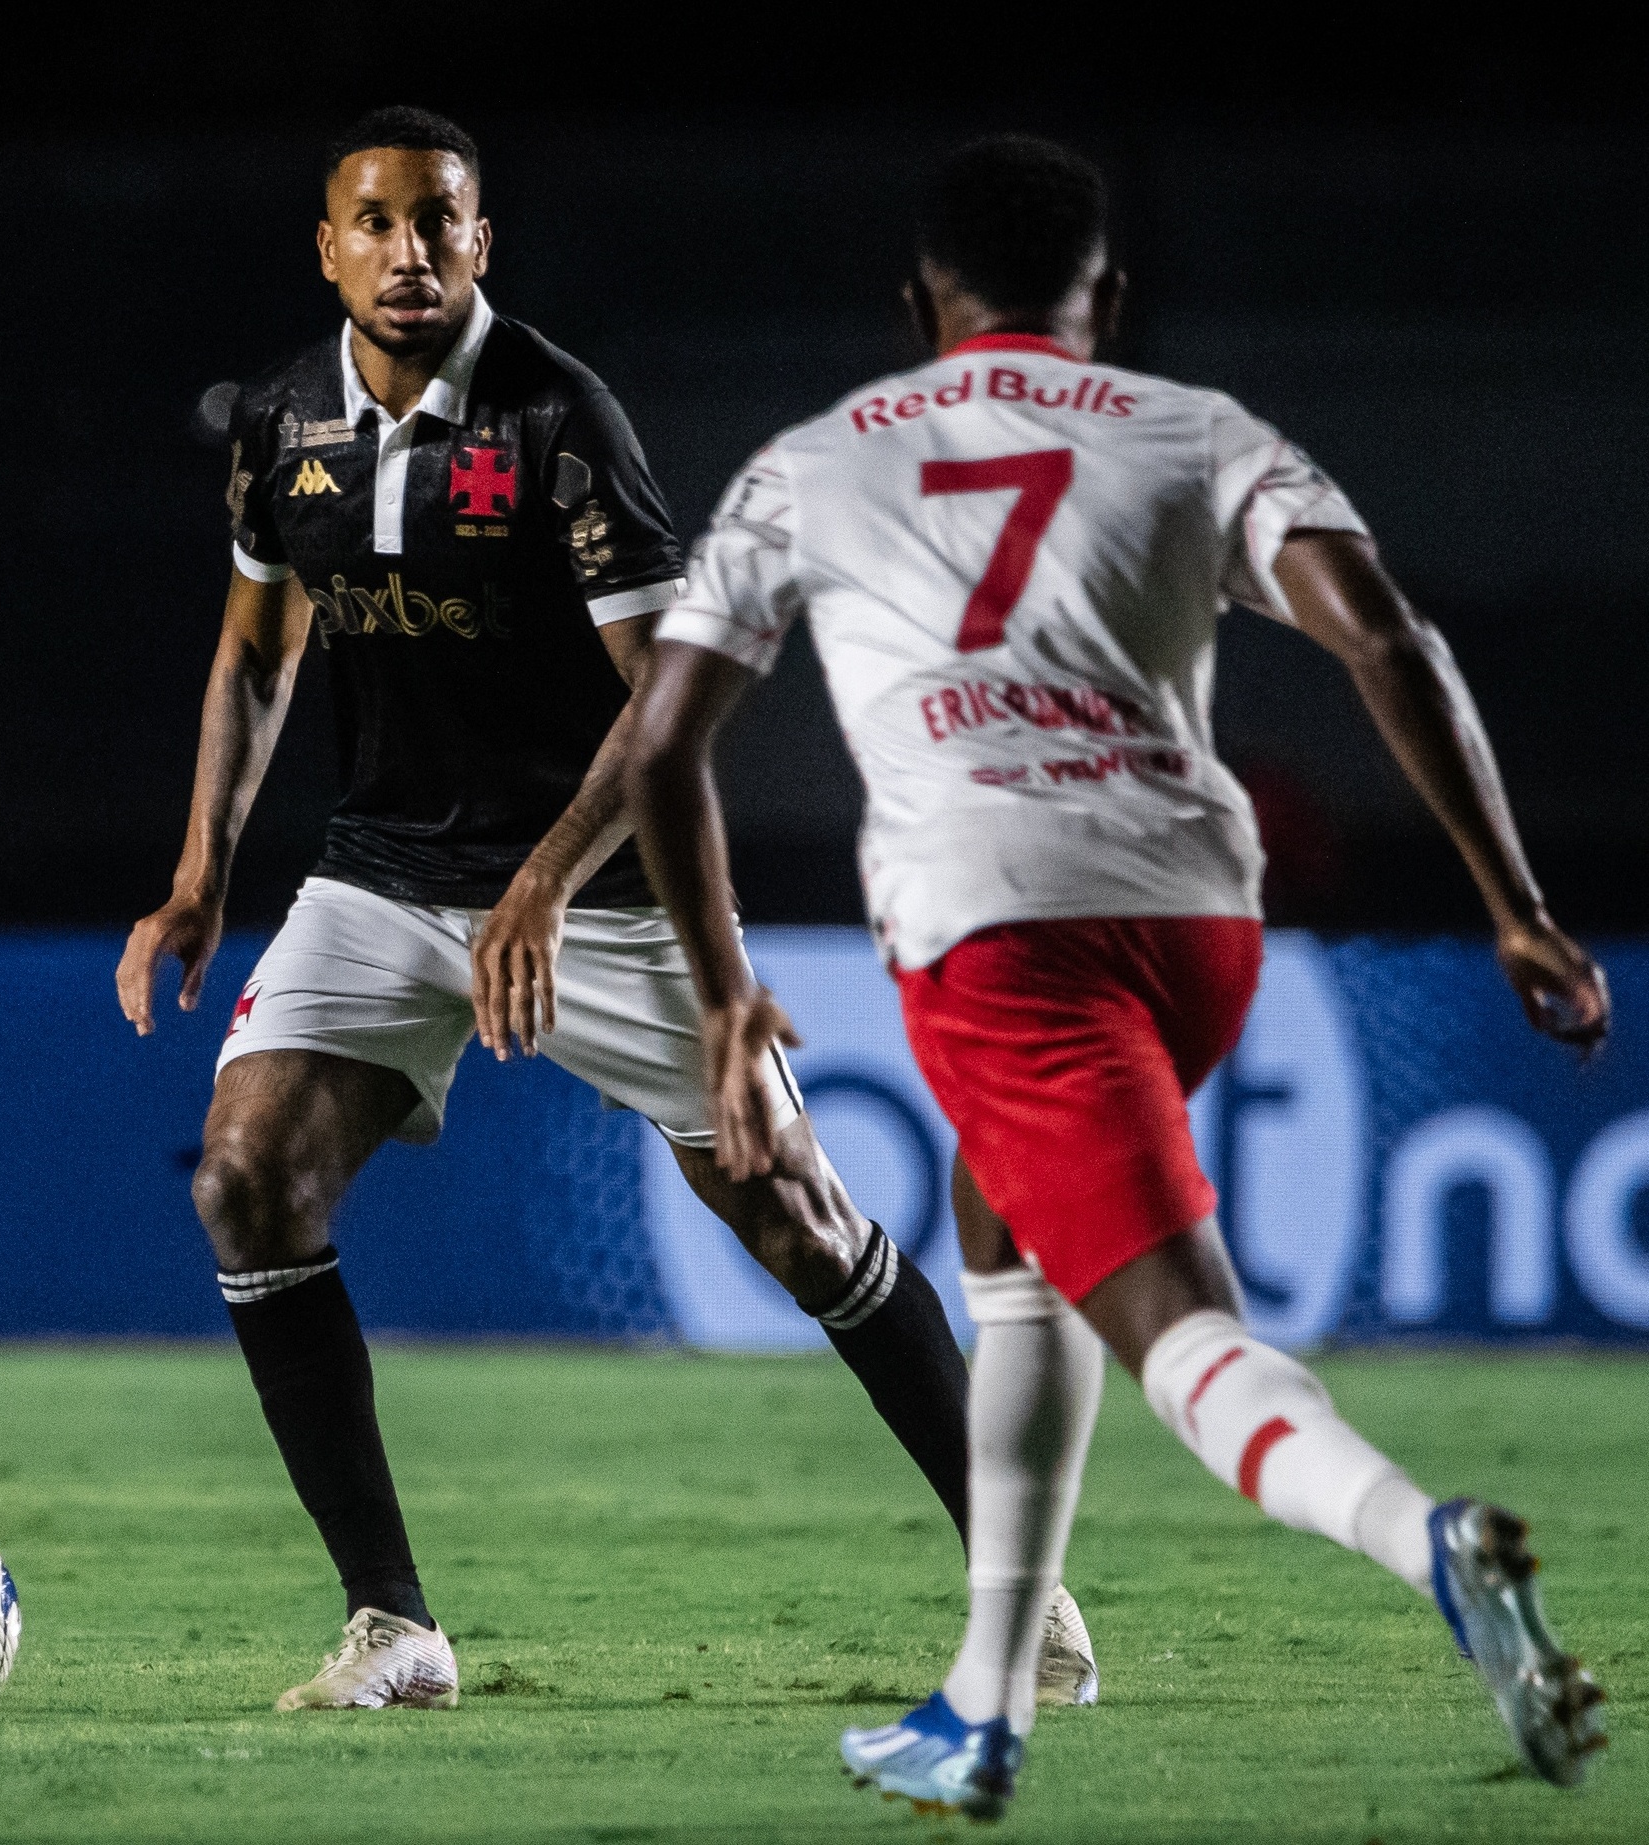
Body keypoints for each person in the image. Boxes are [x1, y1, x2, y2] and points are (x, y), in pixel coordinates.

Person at [625, 133, 1610, 1817]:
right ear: (1109, 298)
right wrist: (1512, 902)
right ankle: (984, 1700)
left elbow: (660, 748)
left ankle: (1427, 1539)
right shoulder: (1198, 429)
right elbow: (1392, 641)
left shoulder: (812, 465)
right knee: (1009, 1242)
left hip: (1000, 923)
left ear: (919, 300)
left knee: (1177, 1331)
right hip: (1201, 923)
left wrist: (723, 996)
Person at [118, 106, 1095, 1712]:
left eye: (440, 221)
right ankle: (394, 1625)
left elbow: (664, 711)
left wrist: (539, 886)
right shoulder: (283, 421)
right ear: (328, 244)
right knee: (245, 1178)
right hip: (379, 873)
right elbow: (254, 650)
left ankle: (1025, 1584)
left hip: (603, 889)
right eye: (376, 222)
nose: (409, 250)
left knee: (797, 1217)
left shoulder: (559, 418)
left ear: (481, 240)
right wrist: (196, 879)